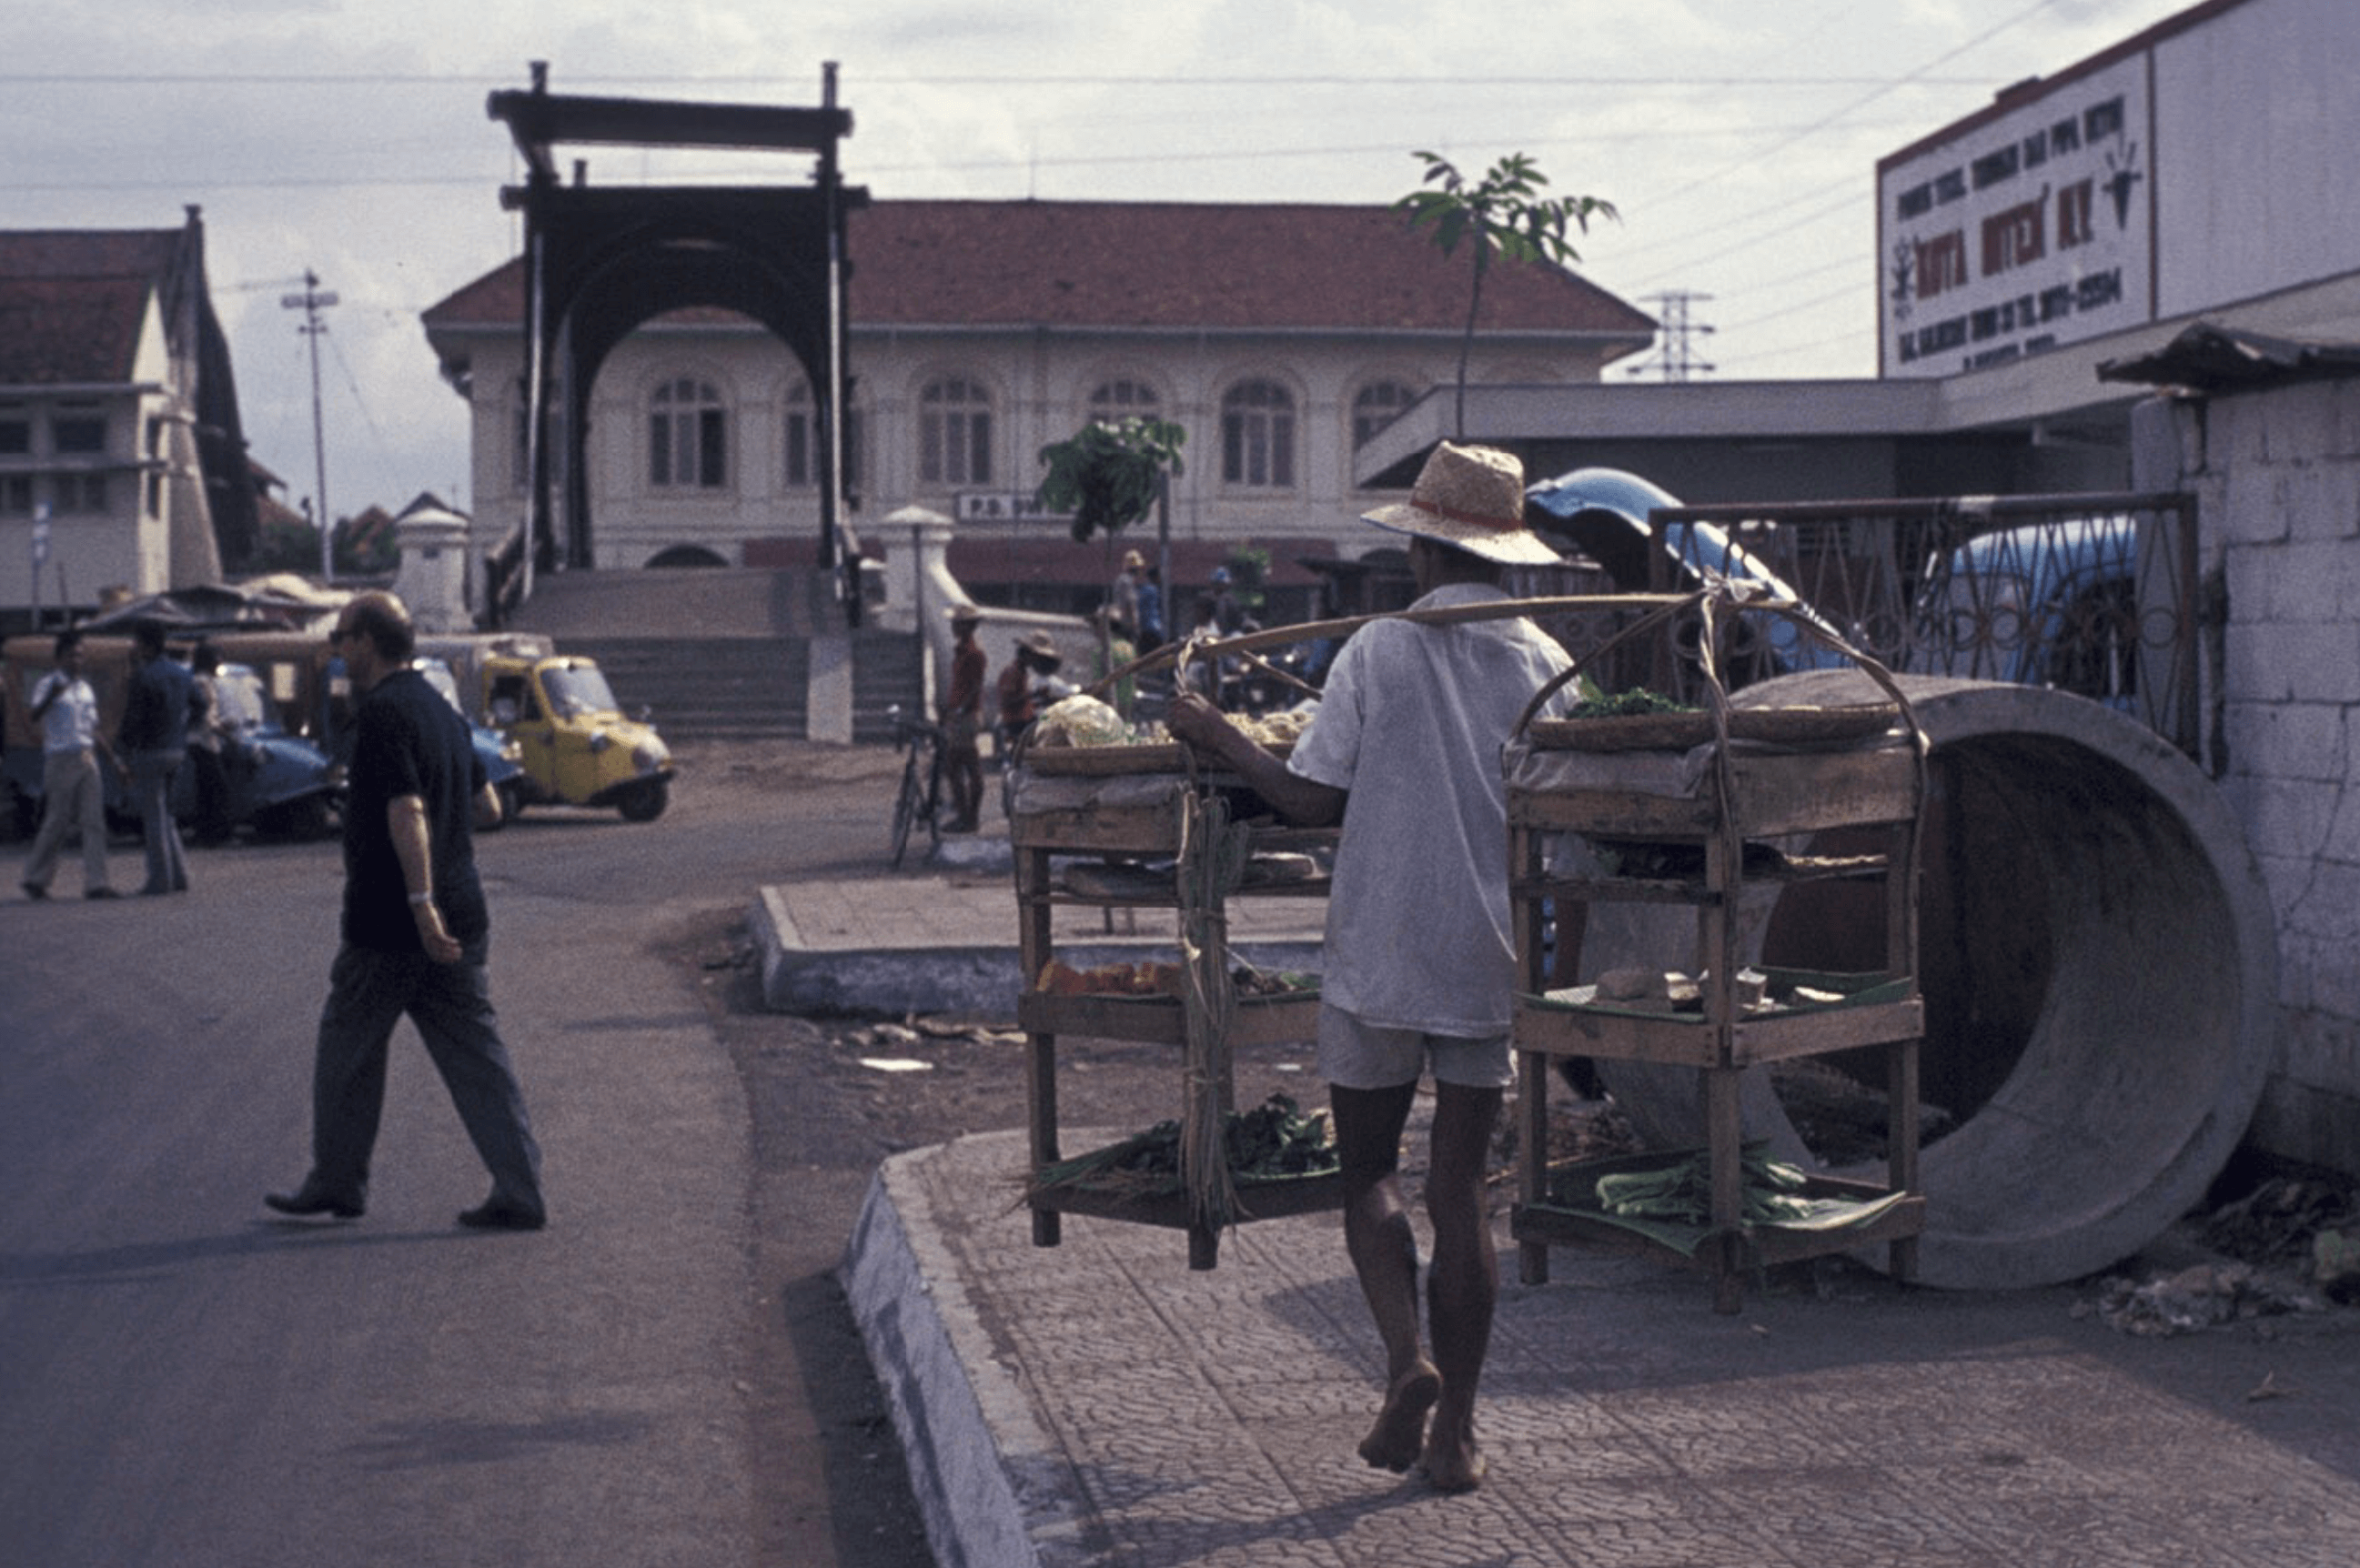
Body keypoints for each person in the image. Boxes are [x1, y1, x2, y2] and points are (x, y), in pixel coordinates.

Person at [1165, 442, 1568, 1495]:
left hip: (1377, 950)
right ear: (1507, 554)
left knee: (1369, 1173)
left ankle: (1404, 1362)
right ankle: (1457, 1435)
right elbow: (1564, 822)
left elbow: (1309, 799)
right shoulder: (1542, 662)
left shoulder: (1379, 648)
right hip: (1487, 957)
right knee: (1461, 1194)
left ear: (1422, 548)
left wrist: (1215, 735)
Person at [267, 590, 547, 1231]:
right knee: (477, 1056)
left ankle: (337, 1180)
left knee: (347, 1048)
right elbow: (488, 808)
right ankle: (520, 1186)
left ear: (367, 641)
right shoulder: (441, 713)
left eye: (342, 637)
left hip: (393, 924)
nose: (337, 650)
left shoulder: (385, 714)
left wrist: (421, 904)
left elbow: (406, 810)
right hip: (463, 910)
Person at [19, 629, 120, 901]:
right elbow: (34, 716)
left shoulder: (85, 688)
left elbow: (94, 728)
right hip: (60, 759)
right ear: (59, 658)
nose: (78, 660)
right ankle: (34, 878)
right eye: (72, 655)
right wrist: (52, 696)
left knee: (94, 821)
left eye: (81, 655)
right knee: (57, 821)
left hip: (86, 756)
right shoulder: (47, 684)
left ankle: (97, 883)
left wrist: (114, 760)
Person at [116, 618, 191, 895]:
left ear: (145, 645)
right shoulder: (181, 673)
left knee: (154, 818)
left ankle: (160, 880)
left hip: (152, 752)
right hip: (177, 748)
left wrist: (123, 753)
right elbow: (200, 703)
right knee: (167, 815)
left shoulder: (143, 676)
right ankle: (180, 875)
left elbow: (132, 721)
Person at [941, 605, 988, 832]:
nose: (953, 627)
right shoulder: (961, 651)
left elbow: (975, 687)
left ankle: (968, 817)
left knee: (960, 767)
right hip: (959, 714)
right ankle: (966, 816)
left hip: (966, 716)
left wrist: (960, 710)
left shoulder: (975, 653)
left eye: (957, 624)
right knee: (960, 767)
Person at [186, 639, 234, 846]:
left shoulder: (206, 682)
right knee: (218, 788)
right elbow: (204, 715)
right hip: (202, 740)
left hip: (206, 740)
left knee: (207, 789)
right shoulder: (201, 683)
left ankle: (206, 833)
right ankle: (216, 834)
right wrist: (223, 730)